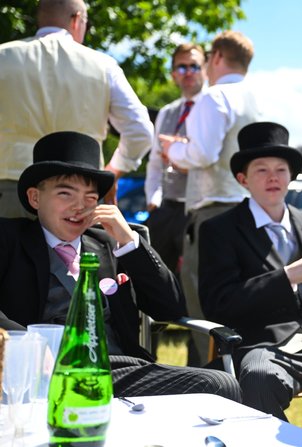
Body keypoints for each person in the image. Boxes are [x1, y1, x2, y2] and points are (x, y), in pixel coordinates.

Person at [0, 131, 241, 402]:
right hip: (43, 375)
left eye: (91, 197)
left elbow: (170, 307)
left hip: (118, 371)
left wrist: (129, 242)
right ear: (35, 198)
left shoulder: (109, 243)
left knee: (222, 382)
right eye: (65, 193)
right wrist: (28, 345)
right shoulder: (9, 238)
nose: (79, 206)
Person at [198, 122, 302, 421]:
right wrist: (287, 276)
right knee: (259, 377)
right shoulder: (219, 230)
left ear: (291, 177)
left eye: (281, 169)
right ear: (242, 179)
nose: (273, 177)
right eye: (261, 169)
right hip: (265, 350)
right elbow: (219, 304)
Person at [159, 30, 260, 363]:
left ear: (216, 57)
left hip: (213, 212)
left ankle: (213, 378)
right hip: (251, 211)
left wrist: (172, 148)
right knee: (242, 302)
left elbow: (202, 154)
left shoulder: (215, 97)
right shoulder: (259, 98)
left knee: (204, 302)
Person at [0, 0, 153, 218]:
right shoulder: (103, 65)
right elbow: (140, 131)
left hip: (12, 192)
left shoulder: (3, 58)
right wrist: (114, 171)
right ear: (77, 19)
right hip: (82, 194)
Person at [144, 43, 206, 274]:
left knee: (195, 279)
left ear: (205, 69)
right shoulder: (167, 113)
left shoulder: (212, 107)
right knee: (158, 276)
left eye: (194, 66)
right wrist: (153, 199)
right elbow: (155, 162)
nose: (188, 72)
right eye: (181, 68)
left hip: (199, 208)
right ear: (173, 75)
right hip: (166, 208)